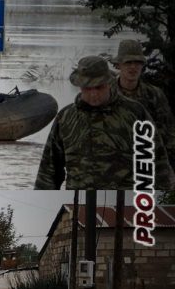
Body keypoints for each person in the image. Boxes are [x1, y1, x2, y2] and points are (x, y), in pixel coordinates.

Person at [35, 56, 175, 189]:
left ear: (109, 83)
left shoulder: (135, 113)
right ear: (80, 86)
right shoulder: (65, 118)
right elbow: (48, 172)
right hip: (79, 202)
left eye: (99, 87)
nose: (93, 93)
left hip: (124, 202)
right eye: (88, 88)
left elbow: (158, 165)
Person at [111, 39, 175, 174]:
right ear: (119, 65)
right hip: (113, 166)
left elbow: (169, 135)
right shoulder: (107, 94)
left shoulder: (155, 95)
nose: (133, 67)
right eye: (128, 62)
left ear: (142, 65)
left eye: (137, 62)